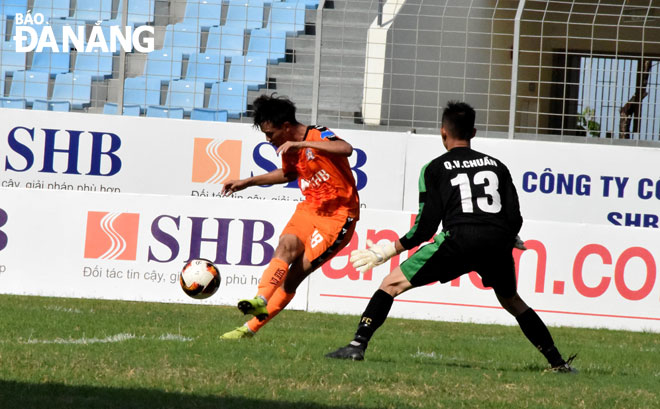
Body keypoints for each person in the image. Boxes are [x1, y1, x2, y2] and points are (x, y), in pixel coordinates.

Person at [325, 101, 576, 373]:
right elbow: (515, 217)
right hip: (497, 242)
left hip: (459, 239)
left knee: (390, 284)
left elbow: (425, 227)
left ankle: (357, 345)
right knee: (512, 301)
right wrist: (508, 236)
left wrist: (386, 251)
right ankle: (557, 362)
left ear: (443, 132)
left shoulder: (434, 169)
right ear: (474, 132)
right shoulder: (498, 167)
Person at [220, 94, 360, 339]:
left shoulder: (316, 134)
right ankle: (261, 298)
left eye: (270, 134)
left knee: (294, 276)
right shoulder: (286, 146)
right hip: (310, 208)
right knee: (285, 246)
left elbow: (345, 149)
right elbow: (288, 174)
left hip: (339, 217)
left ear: (286, 127)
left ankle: (249, 329)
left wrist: (303, 145)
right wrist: (248, 181)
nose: (268, 139)